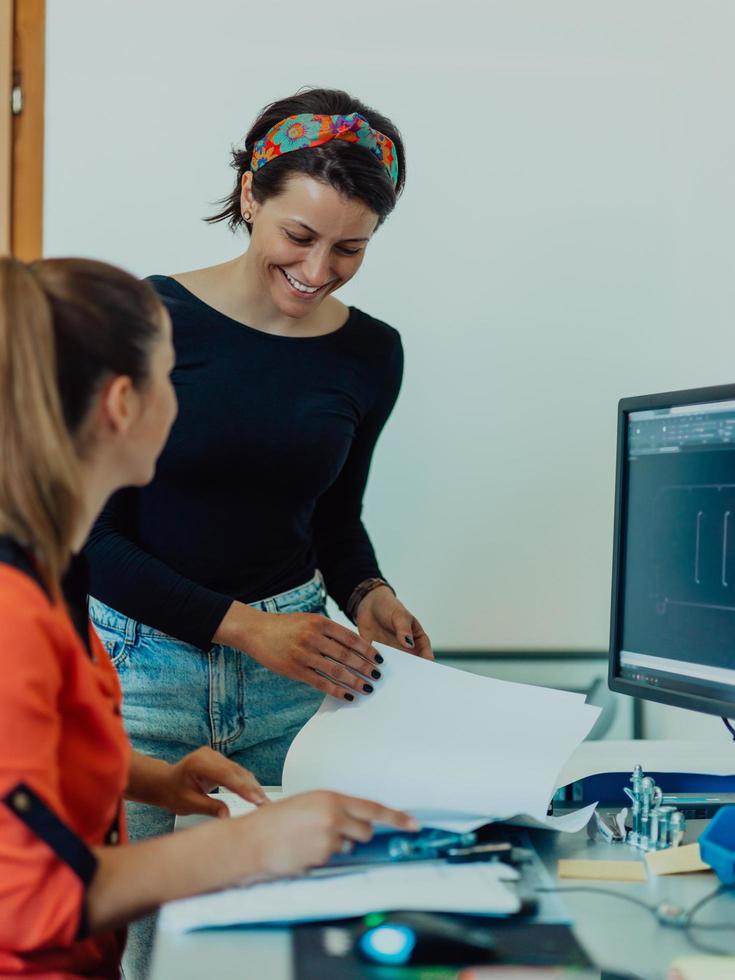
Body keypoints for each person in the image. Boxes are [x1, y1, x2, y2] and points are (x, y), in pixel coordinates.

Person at [0, 256, 418, 978]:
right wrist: (252, 844)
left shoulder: (48, 576)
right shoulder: (14, 619)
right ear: (124, 405)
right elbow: (27, 902)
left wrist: (156, 779)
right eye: (170, 378)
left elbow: (27, 773)